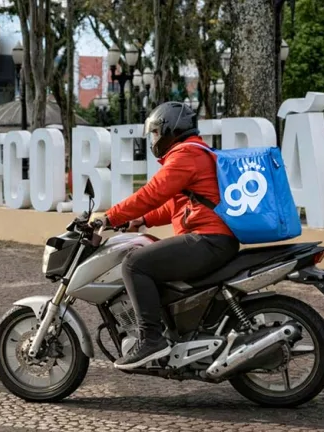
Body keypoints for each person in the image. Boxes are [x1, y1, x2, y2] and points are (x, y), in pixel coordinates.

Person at [90, 101, 240, 370]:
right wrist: (141, 220)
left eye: (157, 132)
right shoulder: (198, 152)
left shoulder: (186, 155)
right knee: (151, 257)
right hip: (212, 240)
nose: (154, 139)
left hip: (207, 240)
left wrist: (109, 217)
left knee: (135, 263)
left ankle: (151, 339)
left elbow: (152, 193)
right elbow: (176, 204)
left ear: (172, 128)